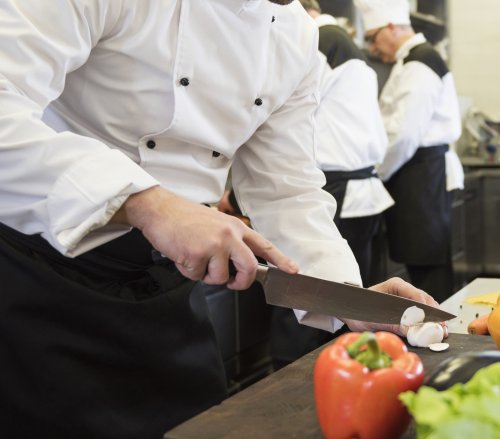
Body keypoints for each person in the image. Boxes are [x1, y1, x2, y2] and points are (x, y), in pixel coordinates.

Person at [0, 1, 440, 437]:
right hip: (43, 283)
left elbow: (284, 188)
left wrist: (346, 296)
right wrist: (146, 203)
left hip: (168, 289)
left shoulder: (293, 34)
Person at [268, 0, 396, 369]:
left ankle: (296, 383)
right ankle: (346, 373)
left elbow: (277, 121)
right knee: (345, 304)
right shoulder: (344, 43)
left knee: (301, 298)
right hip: (360, 191)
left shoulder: (317, 39)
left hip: (333, 188)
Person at [355, 0, 464, 302]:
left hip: (419, 172)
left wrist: (376, 172)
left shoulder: (420, 62)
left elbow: (403, 134)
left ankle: (440, 333)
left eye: (373, 37)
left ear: (391, 27)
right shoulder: (412, 59)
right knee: (424, 261)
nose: (374, 48)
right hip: (418, 172)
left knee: (427, 265)